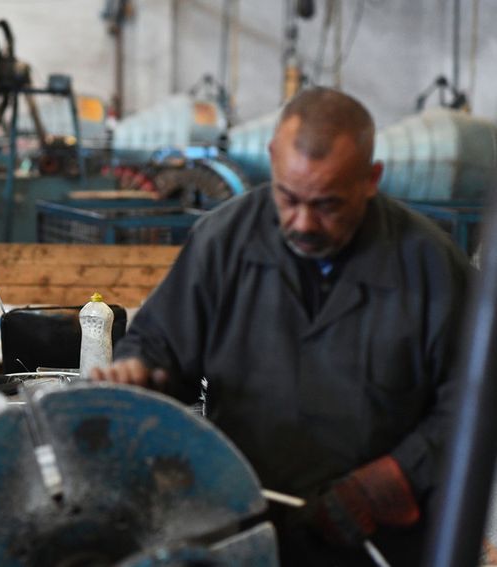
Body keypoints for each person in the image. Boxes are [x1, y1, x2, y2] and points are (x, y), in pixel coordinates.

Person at [92, 88, 470, 566]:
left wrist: (398, 476)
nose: (304, 222)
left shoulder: (430, 267)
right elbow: (159, 344)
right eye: (288, 198)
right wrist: (137, 369)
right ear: (272, 159)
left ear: (371, 179)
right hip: (249, 528)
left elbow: (475, 402)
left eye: (328, 205)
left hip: (381, 541)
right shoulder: (223, 242)